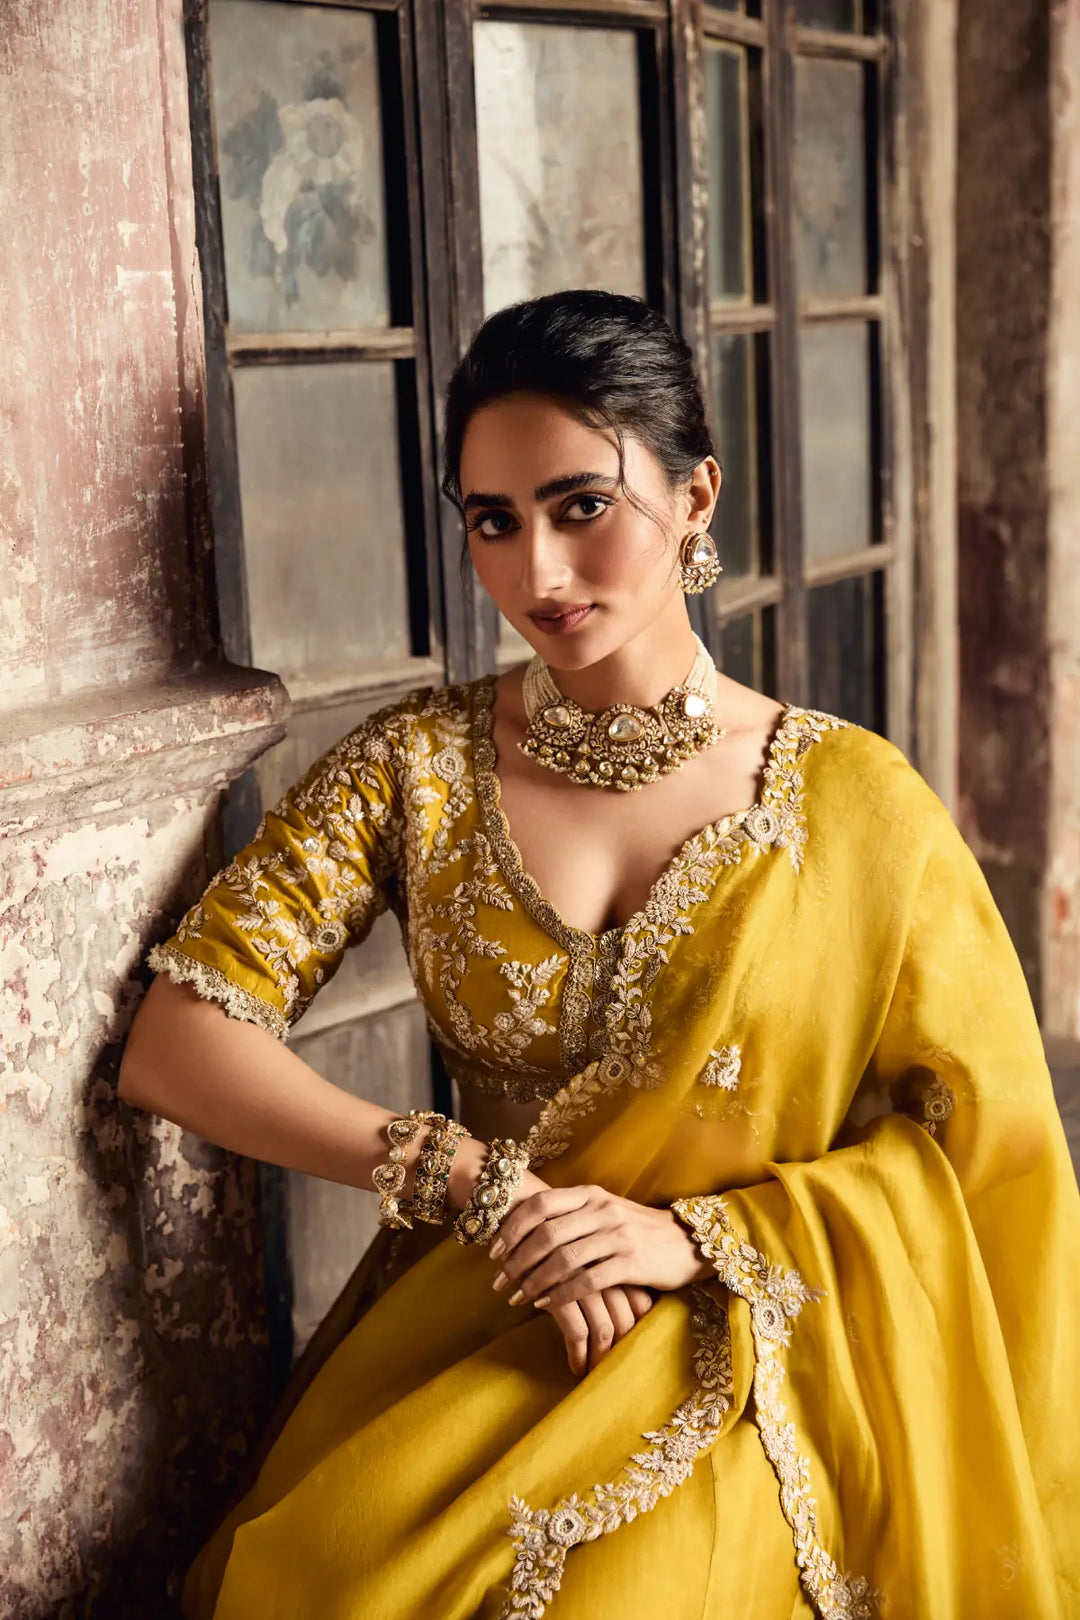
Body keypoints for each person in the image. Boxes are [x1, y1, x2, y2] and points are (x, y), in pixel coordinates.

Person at [118, 290, 1080, 1619]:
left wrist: (700, 1240)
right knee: (325, 1578)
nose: (538, 575)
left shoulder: (858, 808)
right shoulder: (414, 770)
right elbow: (179, 1041)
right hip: (486, 1314)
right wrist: (468, 1180)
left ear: (694, 498)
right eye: (493, 522)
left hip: (758, 1338)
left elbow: (987, 1163)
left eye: (582, 506)